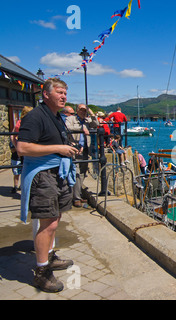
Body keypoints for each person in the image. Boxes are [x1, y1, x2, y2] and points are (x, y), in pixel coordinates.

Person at [17, 78, 79, 293]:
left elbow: (52, 143)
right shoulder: (35, 116)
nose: (64, 96)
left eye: (65, 93)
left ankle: (49, 257)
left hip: (56, 173)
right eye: (60, 92)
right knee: (48, 224)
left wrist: (67, 148)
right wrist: (59, 149)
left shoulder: (56, 117)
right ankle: (42, 272)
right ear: (45, 94)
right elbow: (22, 148)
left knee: (55, 217)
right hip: (42, 175)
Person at [65, 104, 99, 207]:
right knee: (76, 173)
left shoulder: (87, 120)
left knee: (83, 173)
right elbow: (67, 128)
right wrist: (81, 128)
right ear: (77, 110)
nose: (83, 112)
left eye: (85, 111)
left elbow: (96, 123)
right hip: (74, 149)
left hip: (85, 150)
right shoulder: (71, 119)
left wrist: (92, 113)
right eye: (81, 110)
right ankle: (76, 198)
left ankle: (77, 195)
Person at [10, 106, 33, 193]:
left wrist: (17, 147)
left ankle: (25, 190)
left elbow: (12, 136)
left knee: (25, 171)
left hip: (26, 150)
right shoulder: (22, 123)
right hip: (29, 150)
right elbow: (13, 136)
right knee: (27, 171)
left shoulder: (19, 122)